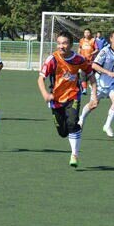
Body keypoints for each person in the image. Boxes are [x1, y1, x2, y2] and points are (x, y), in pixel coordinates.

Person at [38, 31, 97, 168]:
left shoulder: (79, 59)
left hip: (73, 96)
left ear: (71, 45)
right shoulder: (52, 59)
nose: (61, 46)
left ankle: (74, 155)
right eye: (59, 43)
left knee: (71, 123)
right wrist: (45, 94)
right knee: (63, 132)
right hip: (56, 99)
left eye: (64, 43)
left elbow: (90, 75)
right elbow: (41, 78)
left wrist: (94, 95)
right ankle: (76, 127)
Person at [78, 29, 114, 138]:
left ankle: (107, 125)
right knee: (93, 105)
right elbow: (94, 65)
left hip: (113, 81)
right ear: (111, 39)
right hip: (99, 82)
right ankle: (81, 119)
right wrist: (108, 72)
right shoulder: (104, 51)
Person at [77, 28, 98, 95]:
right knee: (83, 74)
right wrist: (79, 55)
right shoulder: (81, 40)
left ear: (90, 33)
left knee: (91, 75)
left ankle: (91, 86)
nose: (86, 34)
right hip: (83, 61)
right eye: (85, 32)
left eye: (88, 32)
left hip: (91, 61)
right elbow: (79, 48)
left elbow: (97, 50)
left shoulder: (93, 40)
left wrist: (91, 54)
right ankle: (84, 89)